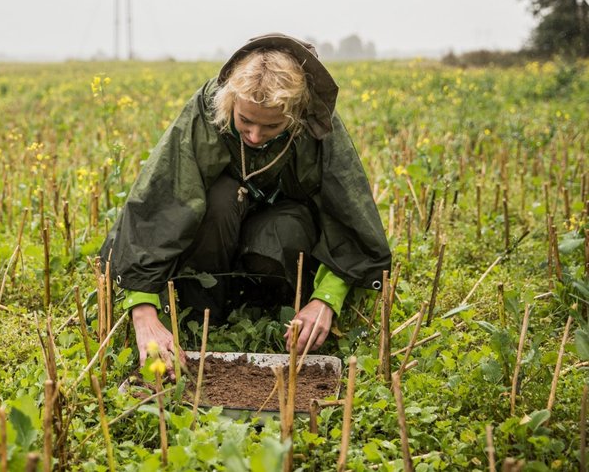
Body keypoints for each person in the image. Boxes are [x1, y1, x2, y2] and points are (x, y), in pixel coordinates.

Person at [99, 33, 391, 367]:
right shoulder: (207, 110)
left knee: (282, 227)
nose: (253, 136)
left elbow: (347, 214)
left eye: (271, 126)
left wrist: (326, 299)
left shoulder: (317, 126)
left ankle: (272, 312)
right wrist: (143, 312)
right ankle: (205, 314)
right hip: (215, 244)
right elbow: (163, 198)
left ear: (295, 114)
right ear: (229, 104)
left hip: (282, 240)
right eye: (245, 121)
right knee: (219, 200)